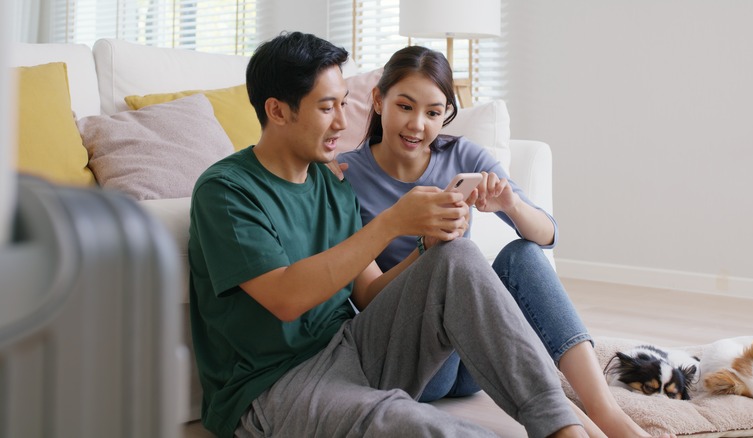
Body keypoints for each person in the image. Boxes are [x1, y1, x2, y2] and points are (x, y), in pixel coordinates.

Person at [188, 31, 588, 438]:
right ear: (276, 110)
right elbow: (286, 299)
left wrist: (427, 251)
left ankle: (562, 429)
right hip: (274, 386)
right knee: (422, 427)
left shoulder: (331, 184)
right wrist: (393, 221)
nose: (343, 122)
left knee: (457, 257)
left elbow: (366, 294)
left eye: (343, 104)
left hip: (354, 348)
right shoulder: (227, 191)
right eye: (327, 108)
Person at [337, 45, 662, 438]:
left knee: (521, 253)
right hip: (418, 363)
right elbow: (367, 296)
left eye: (433, 113)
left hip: (473, 358)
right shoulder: (345, 178)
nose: (417, 125)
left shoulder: (462, 155)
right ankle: (573, 425)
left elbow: (548, 234)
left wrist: (510, 204)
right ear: (378, 99)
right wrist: (425, 251)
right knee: (456, 252)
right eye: (405, 106)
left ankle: (606, 412)